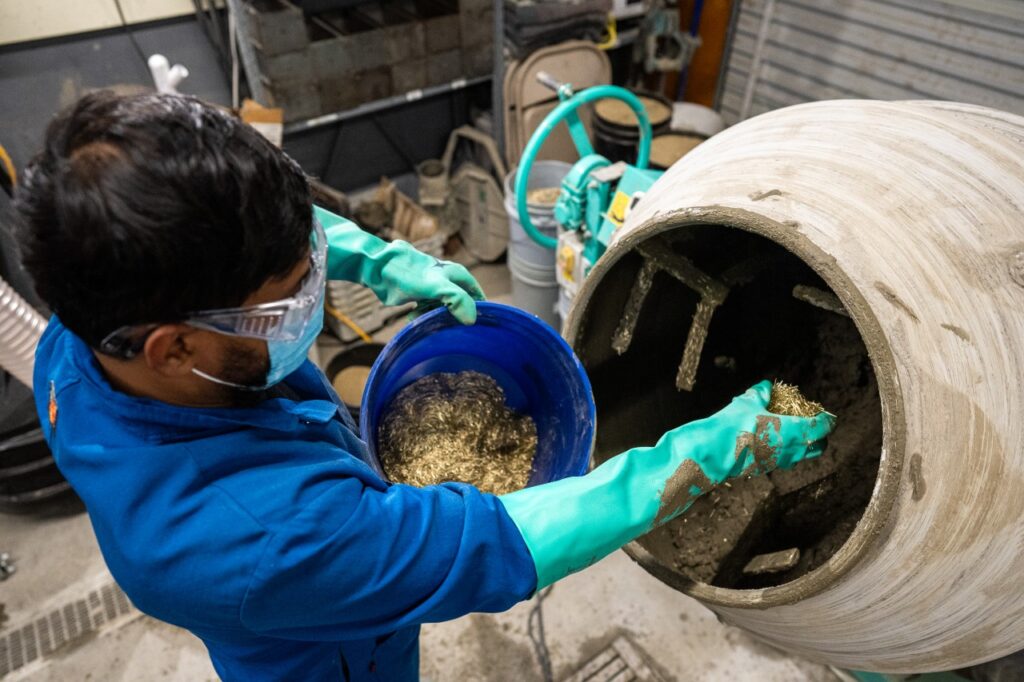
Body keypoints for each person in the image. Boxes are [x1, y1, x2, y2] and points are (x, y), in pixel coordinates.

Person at [14, 92, 834, 681]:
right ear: (173, 345)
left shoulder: (88, 324)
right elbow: (508, 540)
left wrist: (377, 252)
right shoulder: (268, 539)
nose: (314, 299)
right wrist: (721, 443)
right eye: (295, 292)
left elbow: (287, 231)